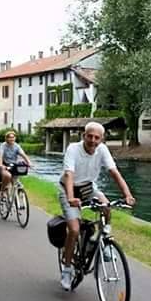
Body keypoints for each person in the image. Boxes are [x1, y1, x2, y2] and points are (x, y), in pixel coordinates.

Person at [58, 122, 135, 291]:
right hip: (68, 189)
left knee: (106, 206)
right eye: (90, 136)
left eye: (97, 137)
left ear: (102, 139)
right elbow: (69, 175)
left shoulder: (102, 150)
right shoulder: (73, 149)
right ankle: (67, 269)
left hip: (88, 187)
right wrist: (71, 197)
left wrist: (127, 194)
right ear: (83, 135)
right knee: (74, 229)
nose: (93, 140)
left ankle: (104, 239)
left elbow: (114, 173)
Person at [0, 131, 32, 201]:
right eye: (9, 137)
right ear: (6, 138)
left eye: (13, 137)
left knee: (15, 181)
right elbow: (0, 155)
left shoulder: (17, 146)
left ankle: (17, 198)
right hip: (5, 165)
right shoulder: (3, 146)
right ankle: (2, 191)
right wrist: (0, 165)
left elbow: (23, 154)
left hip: (13, 165)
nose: (11, 139)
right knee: (8, 176)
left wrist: (29, 162)